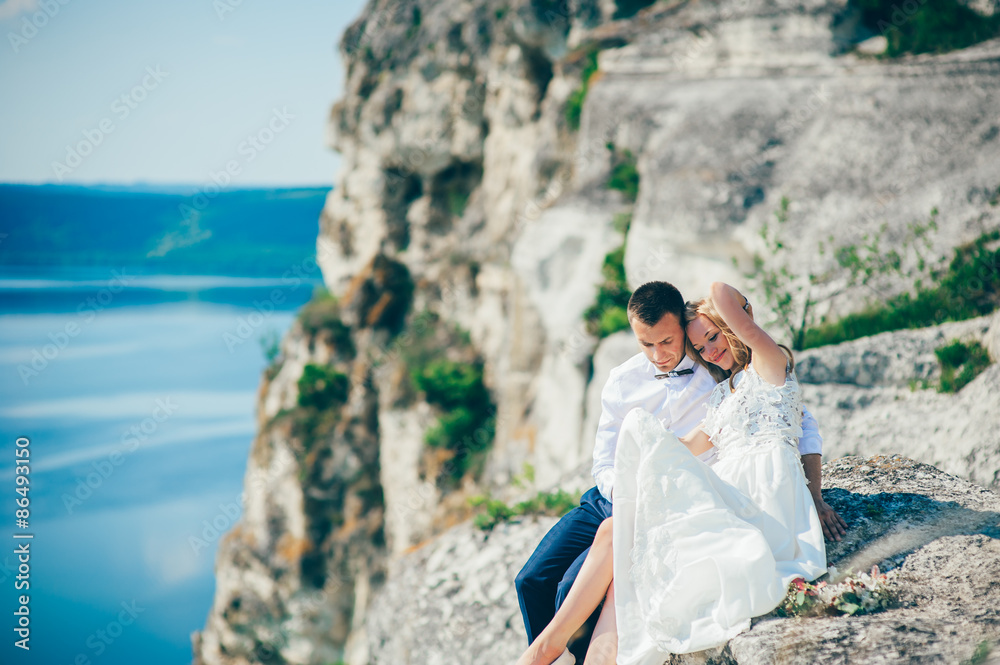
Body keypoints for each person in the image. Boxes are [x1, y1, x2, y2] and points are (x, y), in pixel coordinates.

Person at [513, 281, 845, 665]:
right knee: (532, 579)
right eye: (646, 344)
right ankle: (547, 650)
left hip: (729, 492)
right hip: (621, 493)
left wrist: (815, 496)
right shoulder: (651, 382)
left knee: (588, 579)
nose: (659, 354)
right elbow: (624, 457)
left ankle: (556, 650)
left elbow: (800, 423)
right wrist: (641, 455)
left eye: (669, 341)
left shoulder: (739, 371)